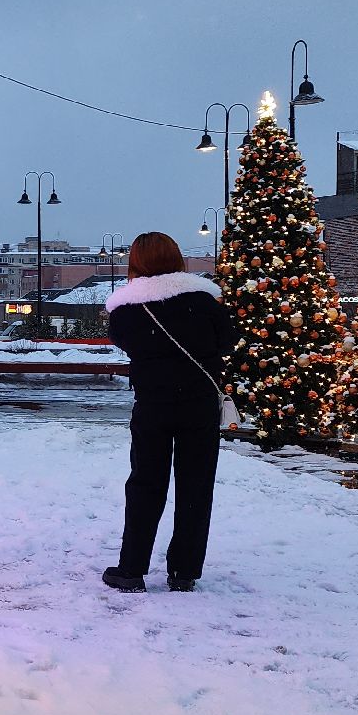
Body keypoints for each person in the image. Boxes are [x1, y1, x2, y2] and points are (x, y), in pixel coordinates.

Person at [101, 232, 235, 593]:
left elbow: (124, 343)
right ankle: (184, 571)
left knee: (145, 482)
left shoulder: (127, 310)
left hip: (153, 403)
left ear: (137, 262)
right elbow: (227, 342)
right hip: (199, 403)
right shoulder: (205, 302)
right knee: (196, 483)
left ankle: (131, 569)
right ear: (177, 258)